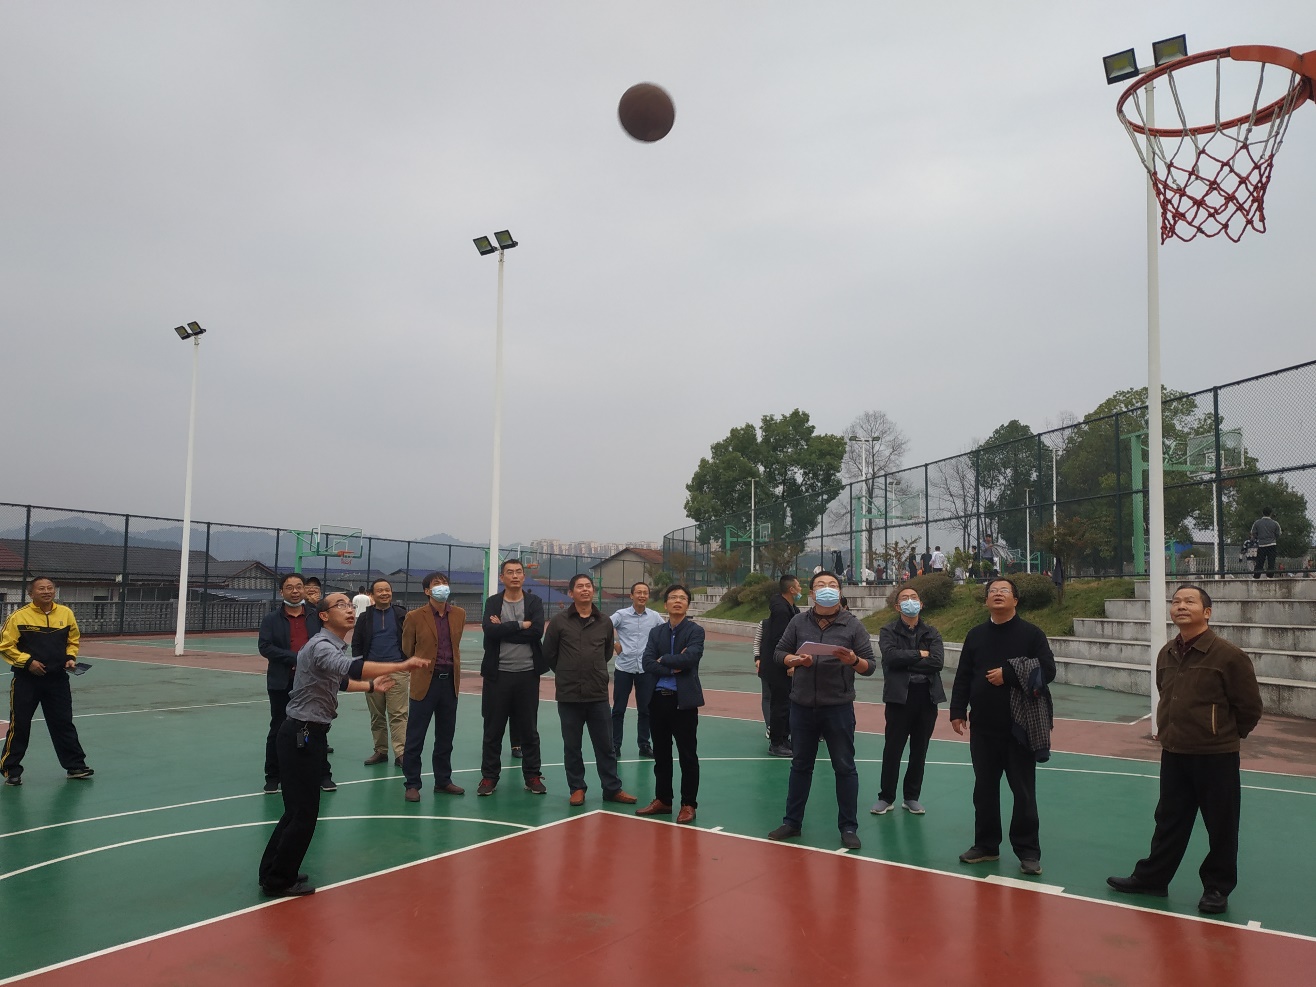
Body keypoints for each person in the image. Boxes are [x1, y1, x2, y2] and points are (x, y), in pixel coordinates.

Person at [257, 592, 430, 897]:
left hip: (306, 733)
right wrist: (402, 665)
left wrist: (371, 686)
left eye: (350, 605)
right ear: (324, 616)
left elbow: (341, 680)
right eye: (341, 605)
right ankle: (278, 880)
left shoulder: (331, 646)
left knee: (295, 811)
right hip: (301, 735)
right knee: (303, 813)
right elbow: (350, 669)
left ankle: (274, 871)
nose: (349, 609)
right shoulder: (322, 645)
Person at [1107, 584, 1262, 915]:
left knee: (1221, 824)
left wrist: (1223, 734)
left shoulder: (1228, 656)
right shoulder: (1167, 652)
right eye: (1176, 601)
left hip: (1215, 755)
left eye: (1189, 601)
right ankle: (1153, 878)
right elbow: (1166, 693)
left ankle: (1217, 887)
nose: (1180, 606)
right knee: (1169, 820)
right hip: (1175, 752)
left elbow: (1249, 707)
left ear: (1207, 612)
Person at [949, 576, 1055, 875]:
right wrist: (957, 710)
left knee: (1023, 792)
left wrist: (1008, 674)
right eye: (992, 591)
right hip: (983, 726)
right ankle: (986, 845)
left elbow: (1048, 670)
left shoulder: (1031, 634)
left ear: (1015, 600)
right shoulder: (975, 635)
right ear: (986, 600)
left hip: (1019, 728)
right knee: (984, 789)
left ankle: (1028, 851)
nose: (997, 594)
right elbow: (963, 674)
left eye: (1004, 591)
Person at [767, 571, 876, 850]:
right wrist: (794, 660)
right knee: (800, 766)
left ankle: (848, 827)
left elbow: (870, 666)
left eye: (832, 585)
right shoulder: (798, 621)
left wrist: (853, 660)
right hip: (802, 707)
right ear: (811, 594)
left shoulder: (853, 625)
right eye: (820, 585)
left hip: (838, 708)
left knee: (845, 767)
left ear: (840, 592)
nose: (827, 589)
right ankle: (792, 822)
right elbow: (779, 653)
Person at [543, 574, 636, 807]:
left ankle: (612, 788)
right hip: (569, 695)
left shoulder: (604, 622)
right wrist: (567, 671)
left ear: (593, 591)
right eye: (579, 586)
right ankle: (577, 788)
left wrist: (593, 671)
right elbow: (549, 654)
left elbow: (606, 652)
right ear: (570, 593)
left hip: (597, 694)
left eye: (588, 586)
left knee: (606, 745)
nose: (585, 590)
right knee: (572, 746)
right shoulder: (559, 622)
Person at [1, 577, 93, 785]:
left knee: (63, 723)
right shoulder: (18, 616)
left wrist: (70, 658)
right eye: (41, 588)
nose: (46, 591)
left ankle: (75, 766)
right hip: (26, 681)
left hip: (57, 680)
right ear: (31, 594)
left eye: (50, 588)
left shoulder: (66, 613)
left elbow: (72, 640)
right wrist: (28, 662)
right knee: (20, 724)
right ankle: (11, 769)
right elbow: (5, 646)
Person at [871, 586, 945, 815]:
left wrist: (906, 662)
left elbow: (937, 662)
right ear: (897, 606)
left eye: (914, 597)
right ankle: (886, 797)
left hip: (927, 697)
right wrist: (919, 654)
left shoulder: (931, 632)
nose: (910, 601)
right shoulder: (888, 630)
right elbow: (890, 657)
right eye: (905, 598)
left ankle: (911, 797)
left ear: (921, 604)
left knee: (919, 749)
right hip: (899, 698)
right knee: (893, 749)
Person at [258, 573, 334, 794]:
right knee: (279, 727)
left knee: (316, 729)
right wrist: (296, 658)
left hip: (312, 682)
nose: (295, 591)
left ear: (304, 590)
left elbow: (327, 641)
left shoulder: (316, 617)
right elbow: (265, 647)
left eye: (299, 586)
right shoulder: (271, 619)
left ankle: (322, 774)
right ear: (281, 591)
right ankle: (273, 776)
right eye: (289, 587)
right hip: (282, 681)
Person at [636, 584, 705, 824]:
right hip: (658, 699)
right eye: (673, 597)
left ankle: (688, 804)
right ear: (665, 604)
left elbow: (690, 658)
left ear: (688, 604)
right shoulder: (656, 632)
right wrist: (672, 665)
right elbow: (647, 662)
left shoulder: (695, 631)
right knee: (661, 754)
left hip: (683, 702)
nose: (677, 601)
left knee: (687, 755)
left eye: (682, 598)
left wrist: (664, 659)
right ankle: (663, 800)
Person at [479, 558, 547, 796]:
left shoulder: (534, 602)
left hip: (527, 674)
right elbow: (490, 630)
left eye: (519, 572)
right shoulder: (493, 602)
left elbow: (536, 632)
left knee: (529, 730)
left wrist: (505, 628)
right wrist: (520, 625)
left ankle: (532, 776)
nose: (515, 575)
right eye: (510, 572)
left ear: (524, 576)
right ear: (502, 577)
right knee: (493, 729)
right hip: (497, 675)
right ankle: (489, 777)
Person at [400, 573, 466, 802]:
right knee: (415, 736)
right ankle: (412, 783)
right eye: (436, 584)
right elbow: (407, 648)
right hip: (425, 682)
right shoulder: (414, 617)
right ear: (427, 591)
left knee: (446, 736)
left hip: (450, 683)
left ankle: (443, 780)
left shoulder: (459, 614)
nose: (442, 587)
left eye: (444, 583)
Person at [353, 578, 409, 767]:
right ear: (372, 595)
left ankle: (401, 753)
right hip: (372, 671)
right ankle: (381, 750)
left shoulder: (402, 615)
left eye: (387, 590)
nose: (384, 593)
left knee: (398, 713)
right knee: (376, 714)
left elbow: (413, 638)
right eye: (380, 590)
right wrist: (360, 668)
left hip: (397, 670)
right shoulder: (364, 617)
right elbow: (357, 643)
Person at [610, 582, 664, 759]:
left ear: (648, 596)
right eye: (638, 592)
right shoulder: (621, 615)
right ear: (631, 595)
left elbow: (665, 634)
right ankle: (615, 745)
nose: (642, 595)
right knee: (618, 710)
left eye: (645, 593)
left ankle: (644, 745)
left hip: (646, 670)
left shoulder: (655, 617)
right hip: (624, 668)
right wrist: (614, 644)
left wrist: (659, 655)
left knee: (646, 710)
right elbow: (602, 627)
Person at [760, 575, 801, 758]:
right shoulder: (781, 610)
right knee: (780, 705)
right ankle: (776, 743)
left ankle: (784, 739)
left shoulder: (791, 608)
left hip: (782, 663)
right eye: (798, 586)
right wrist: (788, 662)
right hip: (777, 666)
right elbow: (780, 639)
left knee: (787, 704)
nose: (800, 589)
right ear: (791, 589)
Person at [1250, 508, 1281, 579]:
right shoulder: (1275, 523)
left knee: (1260, 562)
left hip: (1262, 544)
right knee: (1271, 561)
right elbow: (1278, 534)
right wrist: (1273, 538)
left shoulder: (1257, 523)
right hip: (1272, 544)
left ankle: (1256, 576)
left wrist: (1259, 537)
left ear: (1262, 513)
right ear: (1271, 513)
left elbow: (1253, 533)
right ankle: (1270, 576)